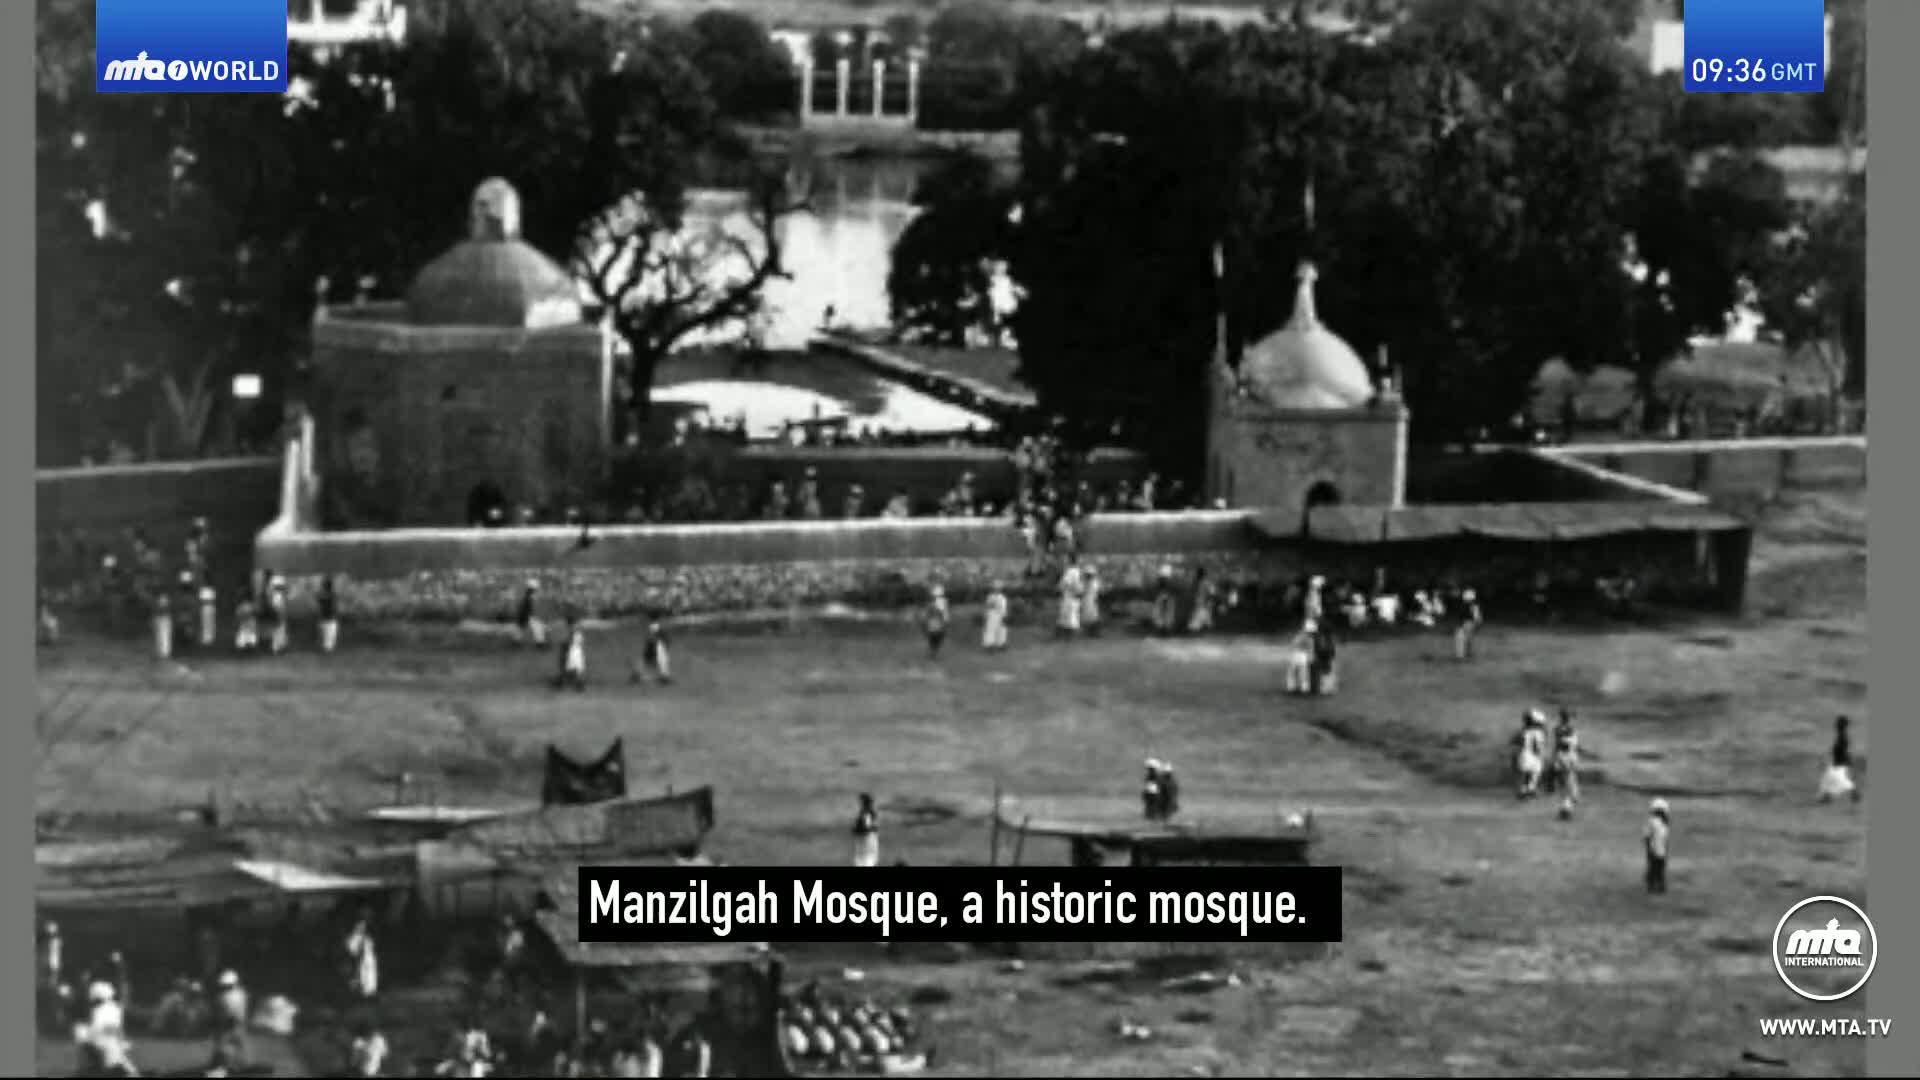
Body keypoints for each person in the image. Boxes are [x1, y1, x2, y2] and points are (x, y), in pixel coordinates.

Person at [211, 969, 250, 1071]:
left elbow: (229, 1012)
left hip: (230, 1024)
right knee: (235, 1045)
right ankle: (234, 1065)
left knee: (227, 1045)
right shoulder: (241, 994)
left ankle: (228, 1065)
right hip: (235, 1024)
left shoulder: (227, 996)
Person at [1820, 715, 1862, 804]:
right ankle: (1827, 797)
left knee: (1838, 780)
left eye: (1837, 724)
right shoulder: (1841, 735)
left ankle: (1855, 793)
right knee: (1828, 779)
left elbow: (1842, 750)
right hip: (1839, 761)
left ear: (1840, 726)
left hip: (1840, 762)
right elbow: (1840, 749)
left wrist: (1833, 753)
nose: (1835, 725)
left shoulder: (1843, 736)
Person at [1547, 709, 1581, 804]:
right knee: (1571, 775)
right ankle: (1574, 795)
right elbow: (1574, 743)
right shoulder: (1572, 729)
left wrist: (1553, 756)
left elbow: (1559, 743)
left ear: (1561, 718)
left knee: (1564, 777)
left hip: (1563, 755)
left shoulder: (1558, 729)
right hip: (1572, 755)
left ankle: (1569, 797)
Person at [344, 915, 379, 1003]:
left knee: (370, 977)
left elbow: (371, 947)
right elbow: (351, 949)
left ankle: (370, 994)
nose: (362, 927)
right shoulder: (354, 937)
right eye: (360, 925)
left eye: (363, 926)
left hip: (369, 960)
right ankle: (361, 995)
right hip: (359, 961)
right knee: (361, 977)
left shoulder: (367, 937)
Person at [1514, 710, 1548, 799]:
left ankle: (1523, 790)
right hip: (1532, 755)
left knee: (1526, 774)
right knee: (1536, 772)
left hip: (1523, 755)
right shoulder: (1539, 733)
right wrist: (1541, 754)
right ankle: (1530, 789)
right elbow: (1538, 747)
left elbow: (1516, 741)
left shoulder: (1523, 731)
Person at [633, 618, 673, 685]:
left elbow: (652, 637)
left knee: (649, 661)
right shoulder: (655, 626)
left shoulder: (654, 626)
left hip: (654, 646)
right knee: (659, 660)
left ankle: (664, 677)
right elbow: (653, 637)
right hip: (655, 646)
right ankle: (664, 677)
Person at [1644, 797, 1671, 894]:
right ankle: (1654, 885)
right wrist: (1649, 848)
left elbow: (1664, 839)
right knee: (1655, 867)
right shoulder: (1654, 822)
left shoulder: (1663, 823)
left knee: (1658, 867)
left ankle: (1658, 885)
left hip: (1660, 850)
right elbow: (1647, 836)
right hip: (1655, 849)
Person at [555, 619, 587, 691]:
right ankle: (578, 684)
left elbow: (569, 643)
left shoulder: (574, 633)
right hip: (577, 653)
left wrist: (565, 647)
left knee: (568, 667)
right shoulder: (577, 633)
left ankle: (562, 683)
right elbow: (581, 644)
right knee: (577, 669)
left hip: (573, 653)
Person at [1284, 622, 1316, 695]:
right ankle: (1304, 689)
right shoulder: (1309, 638)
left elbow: (1293, 645)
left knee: (1292, 673)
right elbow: (1310, 649)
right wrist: (1311, 657)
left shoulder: (1299, 636)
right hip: (1302, 656)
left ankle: (1291, 688)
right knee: (1303, 673)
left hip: (1295, 655)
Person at [1056, 557, 1085, 637]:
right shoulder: (1074, 571)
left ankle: (1068, 636)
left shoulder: (1072, 571)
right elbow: (1065, 584)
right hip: (1072, 597)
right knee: (1070, 619)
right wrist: (1075, 590)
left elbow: (1064, 584)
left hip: (1071, 598)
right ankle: (1067, 636)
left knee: (1069, 618)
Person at [851, 793, 881, 867]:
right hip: (867, 843)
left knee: (865, 861)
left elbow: (866, 829)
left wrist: (856, 830)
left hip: (866, 844)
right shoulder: (868, 814)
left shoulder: (866, 814)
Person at [1453, 588, 1483, 661]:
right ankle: (1466, 654)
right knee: (1467, 639)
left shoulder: (1472, 606)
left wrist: (1477, 623)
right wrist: (1478, 623)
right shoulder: (1473, 606)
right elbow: (1478, 617)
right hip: (1468, 623)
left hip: (1468, 623)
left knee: (1461, 638)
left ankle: (1461, 655)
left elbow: (1477, 617)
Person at [922, 585, 951, 660]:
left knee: (934, 638)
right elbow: (944, 614)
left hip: (935, 623)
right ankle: (933, 651)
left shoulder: (940, 602)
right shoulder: (940, 602)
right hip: (937, 623)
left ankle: (933, 651)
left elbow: (944, 613)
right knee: (936, 638)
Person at [516, 580, 546, 648]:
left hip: (524, 615)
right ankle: (540, 643)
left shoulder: (528, 595)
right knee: (537, 627)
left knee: (521, 629)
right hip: (527, 615)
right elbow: (532, 607)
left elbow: (530, 606)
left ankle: (517, 642)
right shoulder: (531, 596)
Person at [981, 581, 1009, 653]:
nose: (998, 589)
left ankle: (1001, 643)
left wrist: (1004, 615)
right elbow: (989, 606)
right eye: (996, 588)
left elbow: (1004, 607)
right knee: (991, 630)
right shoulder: (991, 597)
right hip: (993, 614)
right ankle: (990, 645)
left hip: (1001, 614)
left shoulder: (1002, 597)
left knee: (1002, 629)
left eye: (999, 588)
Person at [317, 575, 341, 654]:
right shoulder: (334, 596)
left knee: (325, 638)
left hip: (324, 618)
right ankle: (327, 650)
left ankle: (325, 650)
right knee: (329, 639)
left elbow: (319, 599)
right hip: (330, 619)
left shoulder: (322, 596)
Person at [1187, 568, 1216, 634]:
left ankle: (1199, 629)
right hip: (1200, 601)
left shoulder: (1204, 582)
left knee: (1201, 615)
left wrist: (1208, 599)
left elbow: (1211, 592)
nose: (1197, 575)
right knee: (1200, 615)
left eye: (1198, 574)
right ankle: (1199, 629)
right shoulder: (1198, 582)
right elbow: (1211, 592)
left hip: (1203, 601)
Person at [1152, 565, 1179, 635]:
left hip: (1165, 598)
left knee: (1165, 615)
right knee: (1164, 615)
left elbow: (1165, 590)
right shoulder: (1165, 582)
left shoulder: (1165, 582)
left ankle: (1164, 630)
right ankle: (1164, 629)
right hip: (1165, 598)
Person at [150, 588, 174, 661]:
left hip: (164, 619)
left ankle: (164, 653)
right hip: (162, 619)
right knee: (161, 636)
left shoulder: (162, 600)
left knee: (163, 636)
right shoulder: (162, 600)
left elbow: (162, 609)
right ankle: (162, 653)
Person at [1079, 566, 1103, 636]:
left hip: (1091, 599)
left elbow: (1097, 590)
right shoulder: (1085, 582)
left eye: (1090, 575)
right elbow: (1081, 590)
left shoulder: (1094, 582)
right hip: (1086, 599)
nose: (1089, 576)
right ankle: (1089, 631)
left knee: (1093, 616)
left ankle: (1095, 632)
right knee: (1087, 616)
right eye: (1088, 575)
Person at [197, 581, 219, 648]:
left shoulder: (212, 590)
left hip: (211, 607)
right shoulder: (202, 590)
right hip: (204, 608)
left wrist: (208, 602)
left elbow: (214, 600)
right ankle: (205, 639)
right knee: (204, 623)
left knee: (211, 623)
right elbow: (200, 600)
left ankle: (211, 639)